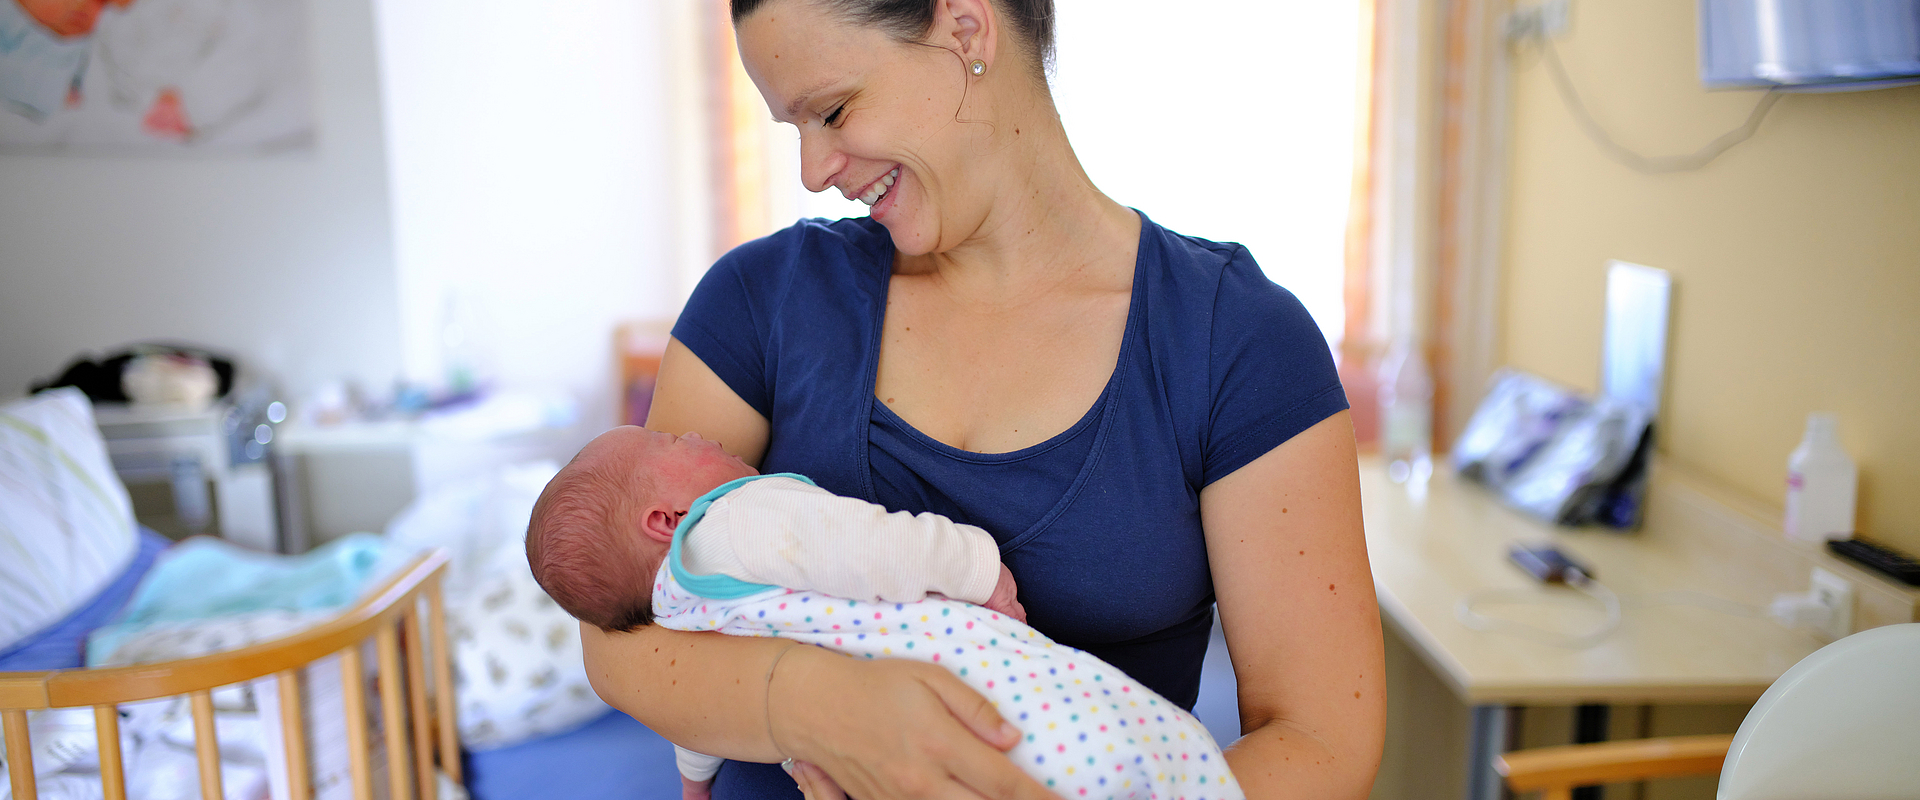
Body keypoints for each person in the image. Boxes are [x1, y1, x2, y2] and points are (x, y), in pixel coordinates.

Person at [580, 1, 1386, 798]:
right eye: (795, 130)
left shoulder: (1235, 341)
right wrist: (827, 710)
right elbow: (622, 633)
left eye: (831, 111)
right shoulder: (759, 301)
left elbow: (1321, 741)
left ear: (966, 30)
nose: (812, 169)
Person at [527, 425, 1242, 800]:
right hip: (957, 675)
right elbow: (866, 545)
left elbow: (694, 720)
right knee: (1141, 730)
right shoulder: (732, 521)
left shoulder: (680, 605)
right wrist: (976, 566)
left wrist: (694, 781)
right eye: (668, 444)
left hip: (898, 755)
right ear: (665, 519)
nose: (690, 434)